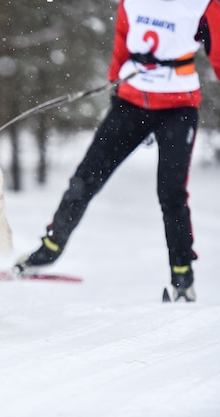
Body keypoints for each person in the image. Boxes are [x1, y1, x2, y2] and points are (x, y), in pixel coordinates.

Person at [14, 0, 220, 302]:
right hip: (131, 103)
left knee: (171, 193)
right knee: (86, 178)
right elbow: (122, 44)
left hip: (178, 107)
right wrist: (115, 84)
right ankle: (50, 249)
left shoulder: (202, 4)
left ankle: (182, 276)